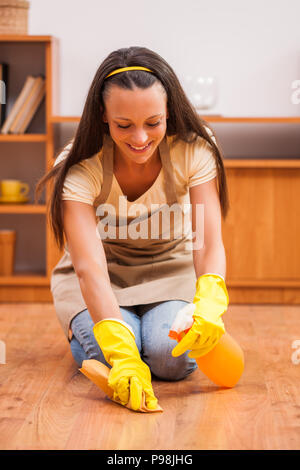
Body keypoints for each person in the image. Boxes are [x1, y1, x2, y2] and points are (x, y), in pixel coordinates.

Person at [35, 46, 230, 412]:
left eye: (153, 123)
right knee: (119, 356)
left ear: (169, 113)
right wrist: (122, 353)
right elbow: (89, 268)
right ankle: (94, 336)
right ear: (103, 117)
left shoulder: (194, 148)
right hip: (100, 277)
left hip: (169, 270)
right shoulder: (78, 165)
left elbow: (207, 242)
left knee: (169, 358)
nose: (140, 138)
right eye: (124, 125)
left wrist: (209, 300)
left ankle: (114, 340)